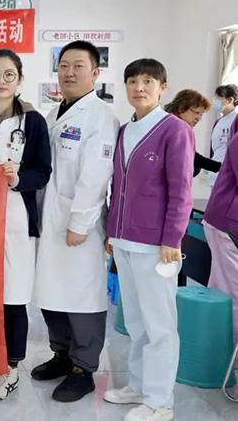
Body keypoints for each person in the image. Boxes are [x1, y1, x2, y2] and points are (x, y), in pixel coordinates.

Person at [104, 59, 194, 421]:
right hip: (124, 241)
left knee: (160, 326)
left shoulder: (175, 131)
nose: (139, 88)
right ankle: (139, 386)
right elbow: (118, 186)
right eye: (132, 81)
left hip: (157, 244)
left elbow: (181, 191)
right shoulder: (125, 130)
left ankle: (160, 401)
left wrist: (173, 237)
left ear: (162, 87)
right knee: (136, 321)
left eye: (147, 81)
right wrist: (112, 232)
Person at [32, 40, 120, 402]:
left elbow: (95, 176)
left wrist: (80, 223)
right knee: (50, 292)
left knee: (82, 297)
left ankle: (84, 369)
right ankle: (62, 354)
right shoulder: (53, 114)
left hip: (77, 224)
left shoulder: (100, 117)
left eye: (78, 66)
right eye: (64, 66)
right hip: (49, 221)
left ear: (95, 73)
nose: (69, 73)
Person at [0, 50, 52, 402]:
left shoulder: (32, 122)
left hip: (16, 218)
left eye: (8, 74)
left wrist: (19, 178)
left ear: (19, 79)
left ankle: (11, 368)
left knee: (14, 296)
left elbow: (43, 171)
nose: (1, 81)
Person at [204, 133, 238, 348]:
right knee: (231, 294)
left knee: (220, 290)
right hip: (228, 225)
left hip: (224, 221)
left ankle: (213, 349)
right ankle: (226, 352)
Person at [164, 89, 215, 177]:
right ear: (182, 108)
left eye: (201, 114)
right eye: (197, 112)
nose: (198, 118)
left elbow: (193, 156)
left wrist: (219, 167)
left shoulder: (168, 123)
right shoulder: (179, 128)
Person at [209, 84, 238, 186]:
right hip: (215, 173)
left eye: (219, 98)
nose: (215, 101)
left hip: (229, 175)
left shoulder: (236, 120)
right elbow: (214, 150)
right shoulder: (218, 122)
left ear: (230, 100)